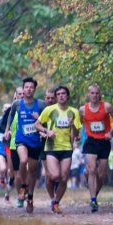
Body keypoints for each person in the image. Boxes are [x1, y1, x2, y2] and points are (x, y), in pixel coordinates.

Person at [1, 77, 46, 214]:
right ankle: (23, 187)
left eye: (31, 87)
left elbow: (47, 120)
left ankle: (30, 197)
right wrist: (7, 129)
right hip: (21, 139)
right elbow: (10, 115)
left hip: (35, 141)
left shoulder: (41, 104)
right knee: (23, 160)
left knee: (32, 172)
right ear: (23, 88)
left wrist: (42, 125)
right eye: (26, 87)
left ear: (34, 89)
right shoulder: (17, 104)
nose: (28, 89)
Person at [37, 85, 81, 214]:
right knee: (54, 175)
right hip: (51, 147)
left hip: (67, 147)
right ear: (56, 97)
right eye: (59, 94)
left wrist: (73, 126)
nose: (61, 96)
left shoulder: (74, 112)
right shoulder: (49, 110)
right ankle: (52, 197)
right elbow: (37, 124)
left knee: (63, 178)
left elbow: (77, 133)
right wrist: (47, 131)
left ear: (67, 96)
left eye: (63, 93)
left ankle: (56, 202)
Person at [80, 84, 113, 212]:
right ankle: (93, 200)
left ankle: (94, 195)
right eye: (92, 93)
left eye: (97, 93)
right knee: (92, 170)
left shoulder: (107, 107)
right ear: (88, 94)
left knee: (101, 174)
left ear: (100, 94)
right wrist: (76, 134)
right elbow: (79, 122)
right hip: (91, 141)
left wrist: (111, 133)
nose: (95, 95)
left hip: (104, 141)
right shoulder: (83, 109)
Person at [0, 102, 13, 203]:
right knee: (3, 168)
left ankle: (7, 195)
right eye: (5, 108)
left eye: (8, 108)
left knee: (10, 173)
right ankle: (1, 177)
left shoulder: (13, 120)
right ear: (2, 110)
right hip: (0, 148)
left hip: (10, 148)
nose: (6, 109)